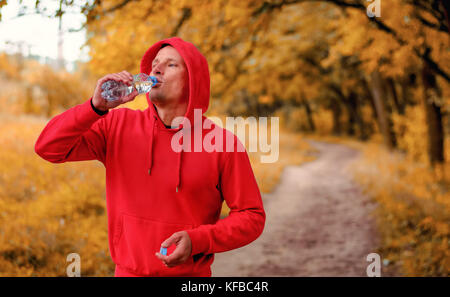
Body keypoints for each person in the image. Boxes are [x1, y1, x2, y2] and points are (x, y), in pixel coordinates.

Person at [35, 37, 266, 277]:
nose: (156, 69)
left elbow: (251, 217)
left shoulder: (222, 143)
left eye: (171, 65)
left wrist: (198, 240)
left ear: (193, 80)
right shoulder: (116, 125)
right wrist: (94, 107)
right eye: (155, 63)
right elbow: (48, 148)